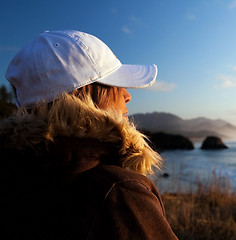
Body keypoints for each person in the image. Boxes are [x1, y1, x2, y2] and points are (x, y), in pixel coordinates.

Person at [0, 30, 178, 239]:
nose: (127, 95)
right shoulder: (117, 194)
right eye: (114, 84)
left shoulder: (14, 173)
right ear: (82, 95)